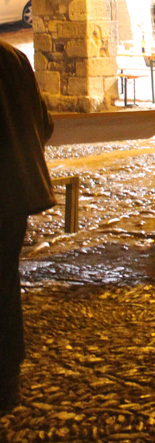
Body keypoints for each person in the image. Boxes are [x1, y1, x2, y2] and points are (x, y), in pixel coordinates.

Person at [0, 40, 55, 411]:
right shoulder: (14, 59)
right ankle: (6, 379)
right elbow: (44, 124)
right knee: (5, 284)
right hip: (13, 194)